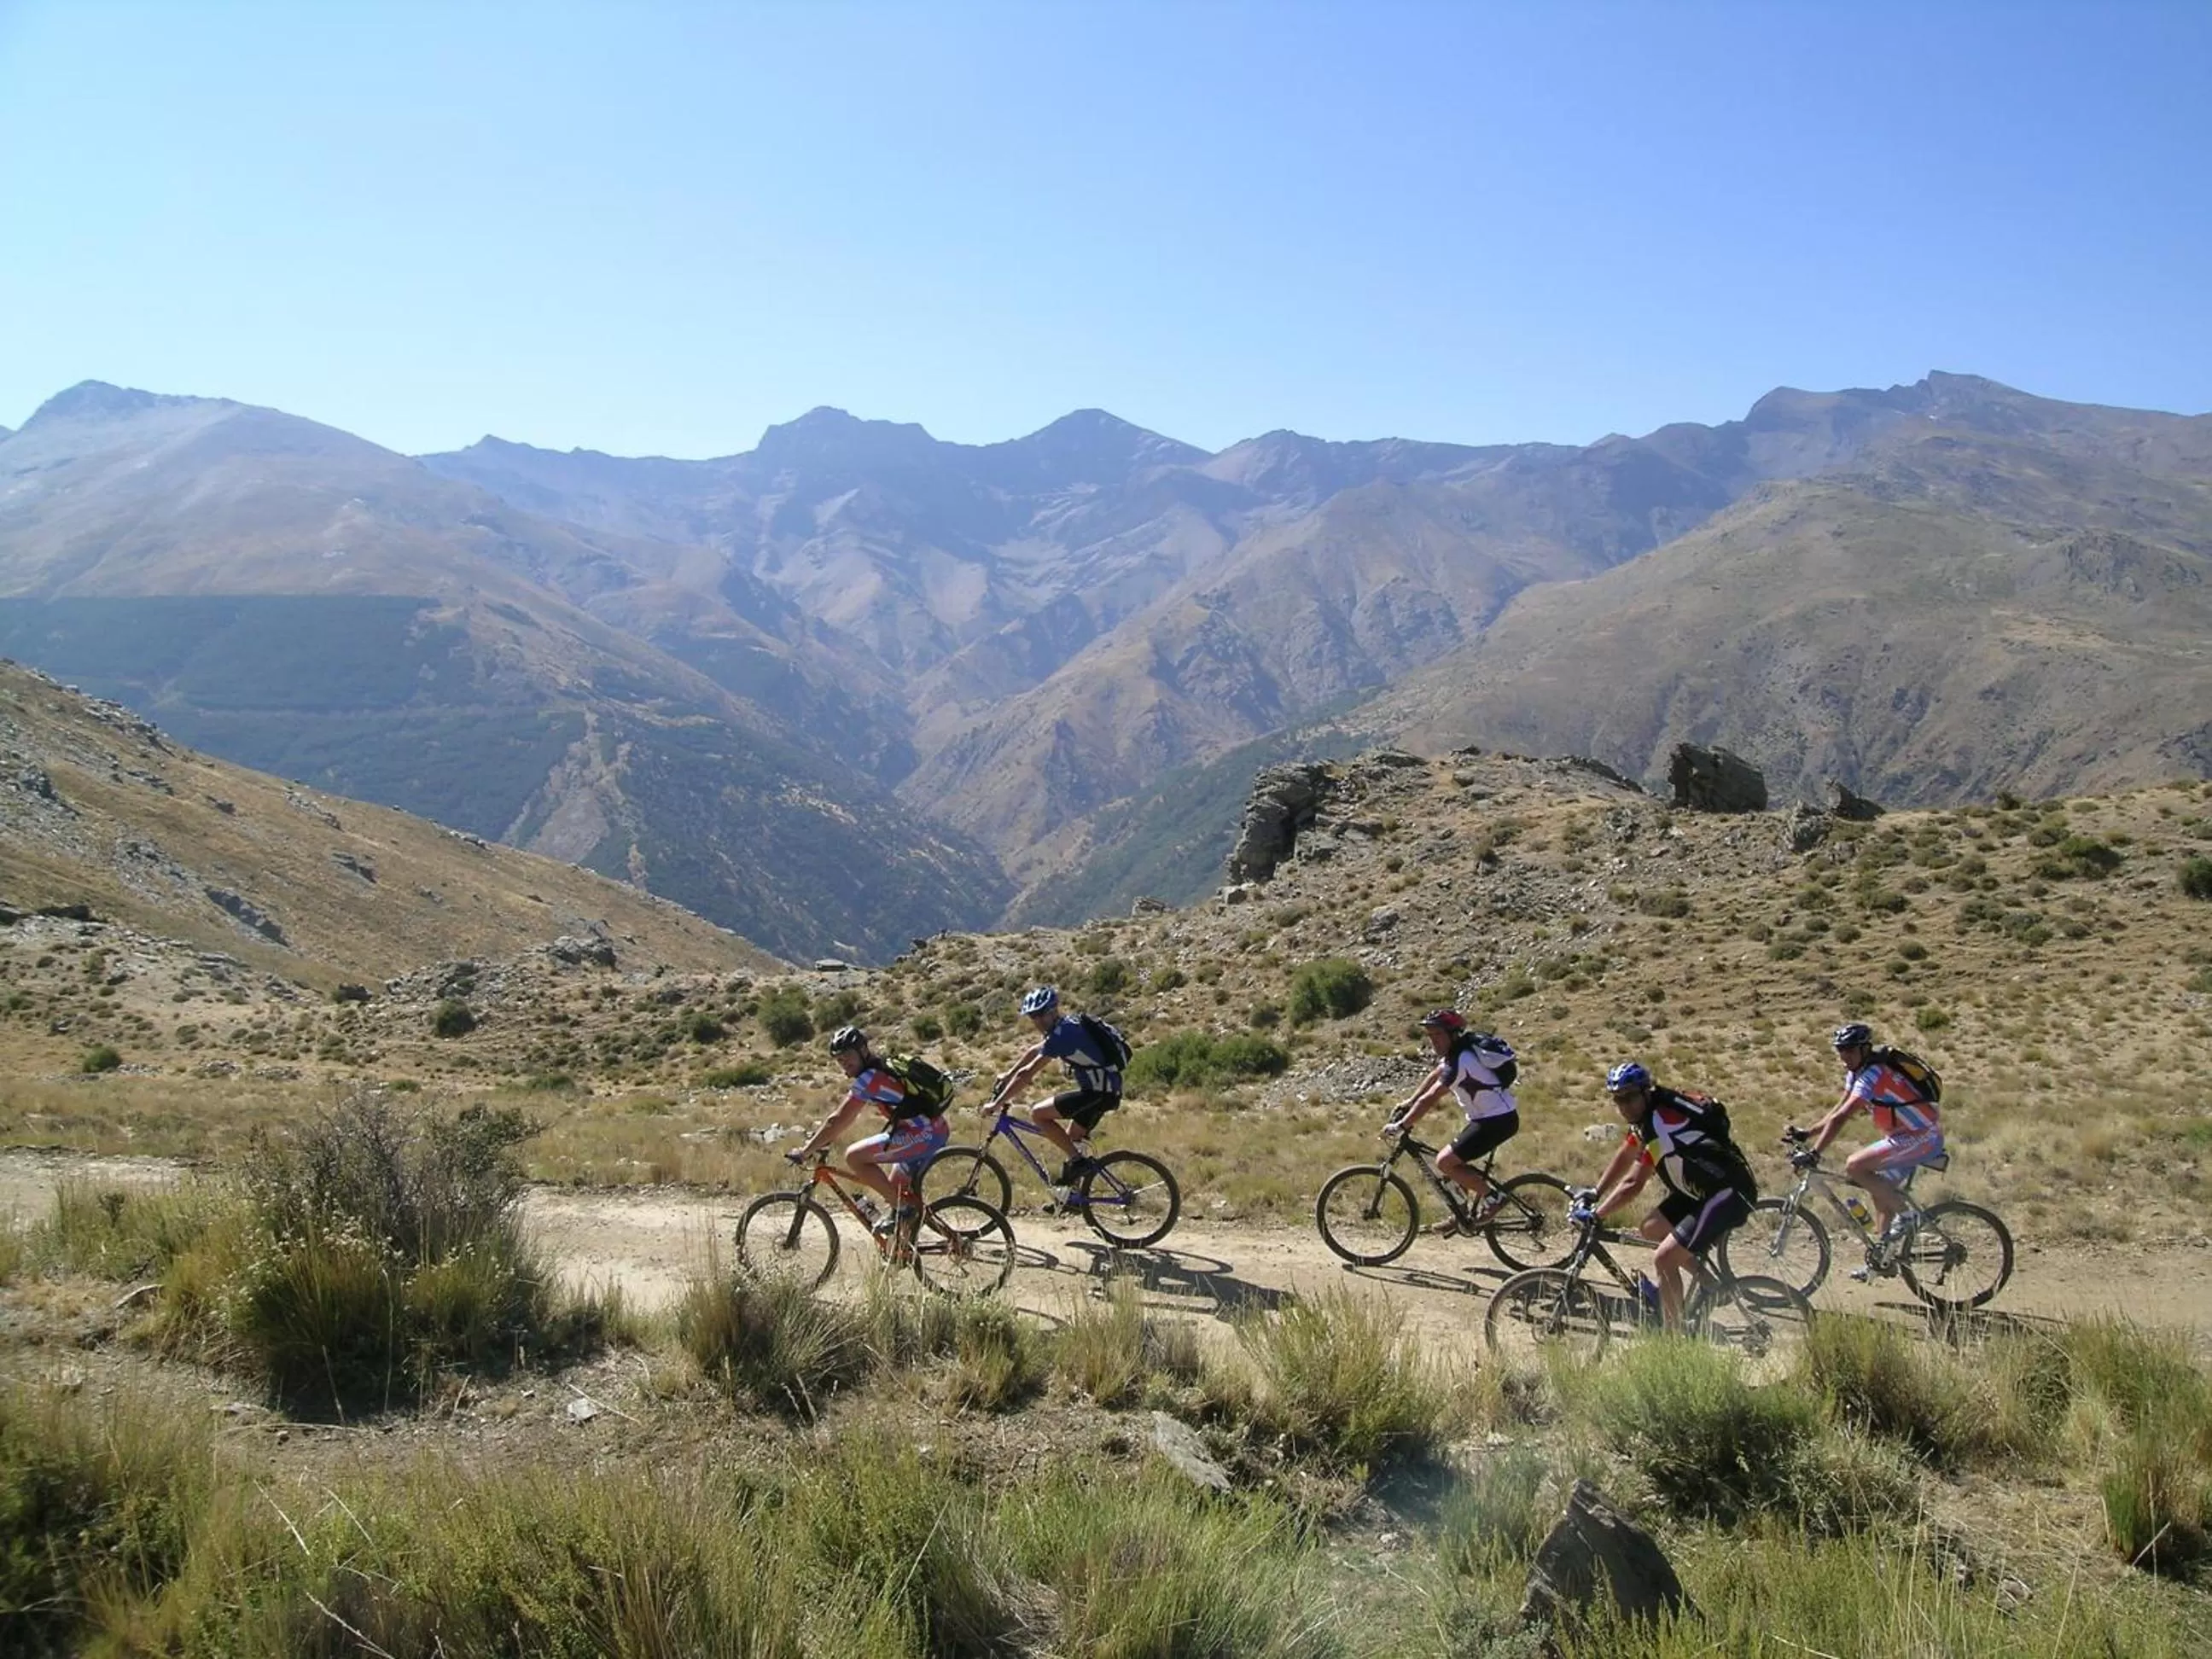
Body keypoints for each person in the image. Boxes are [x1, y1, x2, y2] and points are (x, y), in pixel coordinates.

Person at [1578, 1060, 1757, 1330]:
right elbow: (1627, 1153)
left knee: (1664, 1259)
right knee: (1651, 1227)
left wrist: (1597, 1214)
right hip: (1700, 1190)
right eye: (1618, 1099)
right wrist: (1596, 1192)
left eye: (1630, 1097)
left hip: (1727, 1193)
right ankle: (1709, 1283)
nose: (1624, 1106)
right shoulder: (1646, 1119)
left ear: (1645, 1092)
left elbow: (1634, 1183)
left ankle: (1673, 1337)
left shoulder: (1660, 1125)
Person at [1796, 1022, 1945, 1278]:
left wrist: (1815, 1153)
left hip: (1922, 1137)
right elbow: (1836, 1112)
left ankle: (1909, 1217)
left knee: (1855, 1166)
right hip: (1904, 1137)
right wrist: (1807, 1133)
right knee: (1880, 1192)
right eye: (1840, 1050)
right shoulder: (1856, 1073)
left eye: (1850, 1050)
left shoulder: (1873, 1075)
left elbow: (1842, 1118)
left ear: (1865, 1050)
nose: (1844, 1056)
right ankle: (1882, 1261)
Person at [788, 1024, 949, 1239]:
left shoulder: (869, 1079)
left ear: (863, 1051)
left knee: (854, 1157)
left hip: (923, 1135)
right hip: (933, 1130)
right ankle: (913, 1247)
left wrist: (805, 1151)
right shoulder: (880, 1066)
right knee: (895, 1192)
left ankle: (904, 1212)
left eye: (848, 1056)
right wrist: (823, 1139)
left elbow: (838, 1120)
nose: (844, 1063)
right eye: (839, 1060)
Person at [1386, 1009, 1519, 1234]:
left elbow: (1431, 1098)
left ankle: (1494, 1198)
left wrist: (1402, 1126)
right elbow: (1435, 1075)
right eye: (1430, 1035)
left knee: (1445, 1162)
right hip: (1487, 1119)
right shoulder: (1455, 1054)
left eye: (1438, 1034)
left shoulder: (1462, 1060)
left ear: (1453, 1034)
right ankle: (1461, 1215)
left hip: (1497, 1121)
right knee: (1452, 1162)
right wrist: (1409, 1102)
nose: (1433, 1040)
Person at [993, 985, 1124, 1195]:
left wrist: (997, 1103)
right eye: (1033, 1016)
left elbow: (1027, 1074)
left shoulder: (1062, 1036)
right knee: (1071, 1140)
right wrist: (1008, 1074)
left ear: (1054, 1010)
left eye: (1041, 1014)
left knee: (1038, 1114)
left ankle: (1078, 1162)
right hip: (1104, 1091)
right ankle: (1072, 1198)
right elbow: (1034, 1050)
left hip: (1098, 1093)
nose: (1037, 1021)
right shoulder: (1064, 1026)